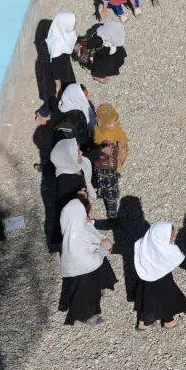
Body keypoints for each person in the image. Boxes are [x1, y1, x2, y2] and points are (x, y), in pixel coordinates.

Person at [59, 197, 117, 326]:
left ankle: (98, 289)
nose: (92, 212)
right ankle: (86, 315)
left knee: (93, 282)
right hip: (84, 269)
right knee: (84, 294)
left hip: (76, 265)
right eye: (90, 210)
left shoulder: (72, 225)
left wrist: (89, 223)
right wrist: (104, 249)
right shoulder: (82, 232)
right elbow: (90, 262)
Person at [133, 221, 186, 330]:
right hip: (164, 283)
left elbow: (127, 249)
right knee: (170, 302)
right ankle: (170, 321)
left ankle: (144, 323)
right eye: (171, 238)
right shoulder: (168, 251)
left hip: (146, 284)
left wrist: (110, 248)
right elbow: (184, 262)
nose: (174, 240)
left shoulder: (144, 244)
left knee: (147, 302)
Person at [50, 137, 96, 245]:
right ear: (68, 158)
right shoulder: (65, 181)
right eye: (78, 152)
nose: (81, 152)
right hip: (73, 229)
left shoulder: (72, 167)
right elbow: (67, 210)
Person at [92, 103, 128, 220]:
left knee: (109, 181)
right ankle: (112, 209)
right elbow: (102, 153)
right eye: (111, 122)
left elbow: (120, 138)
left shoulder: (113, 128)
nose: (115, 124)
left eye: (116, 120)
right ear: (103, 122)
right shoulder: (101, 135)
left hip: (114, 162)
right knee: (110, 186)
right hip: (106, 166)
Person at [45, 12, 78, 97]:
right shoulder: (57, 43)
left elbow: (69, 45)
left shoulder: (63, 33)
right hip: (61, 73)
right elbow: (55, 65)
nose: (75, 25)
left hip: (65, 65)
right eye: (73, 23)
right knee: (65, 92)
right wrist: (58, 85)